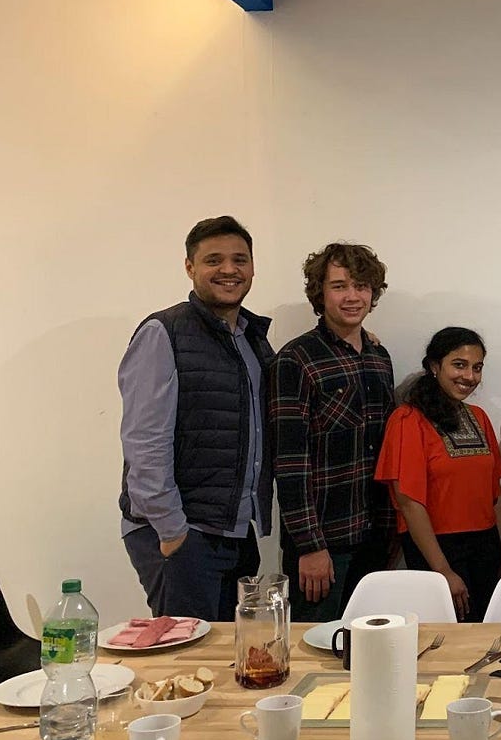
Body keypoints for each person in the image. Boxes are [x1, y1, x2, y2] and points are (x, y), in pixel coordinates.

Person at [118, 216, 273, 622]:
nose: (229, 270)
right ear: (189, 267)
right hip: (182, 532)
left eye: (240, 259)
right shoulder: (163, 331)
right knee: (183, 653)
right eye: (213, 260)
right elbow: (144, 441)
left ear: (252, 268)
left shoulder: (253, 339)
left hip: (233, 532)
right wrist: (172, 531)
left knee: (229, 651)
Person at [270, 242, 397, 623]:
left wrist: (391, 532)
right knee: (315, 646)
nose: (352, 296)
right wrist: (309, 546)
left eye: (361, 286)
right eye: (339, 286)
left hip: (374, 536)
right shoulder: (296, 359)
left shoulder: (379, 357)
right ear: (320, 293)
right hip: (323, 544)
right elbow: (289, 463)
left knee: (369, 644)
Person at [375, 328, 501, 621]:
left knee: (485, 635)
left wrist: (496, 550)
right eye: (459, 365)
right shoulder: (408, 420)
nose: (469, 376)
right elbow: (409, 502)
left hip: (484, 549)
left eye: (477, 367)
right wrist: (443, 570)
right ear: (435, 366)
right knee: (445, 637)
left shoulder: (478, 417)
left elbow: (495, 492)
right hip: (438, 550)